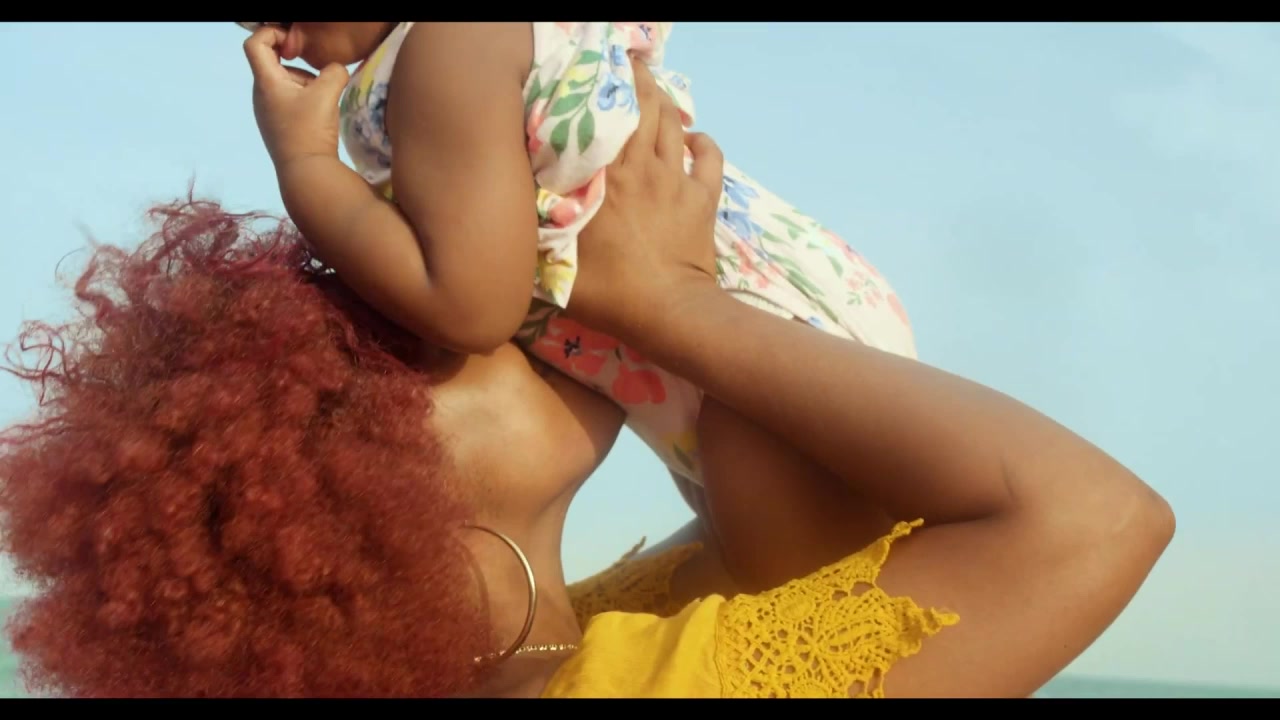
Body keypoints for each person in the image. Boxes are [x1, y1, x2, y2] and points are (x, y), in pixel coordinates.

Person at [0, 61, 1173, 698]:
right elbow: (1092, 521)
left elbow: (818, 533)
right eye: (423, 347)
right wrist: (672, 303)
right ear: (374, 510)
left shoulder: (579, 637)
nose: (501, 324)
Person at [236, 23, 917, 581]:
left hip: (744, 357)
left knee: (810, 623)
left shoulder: (447, 49)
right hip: (746, 350)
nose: (268, 37)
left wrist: (305, 165)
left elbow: (471, 306)